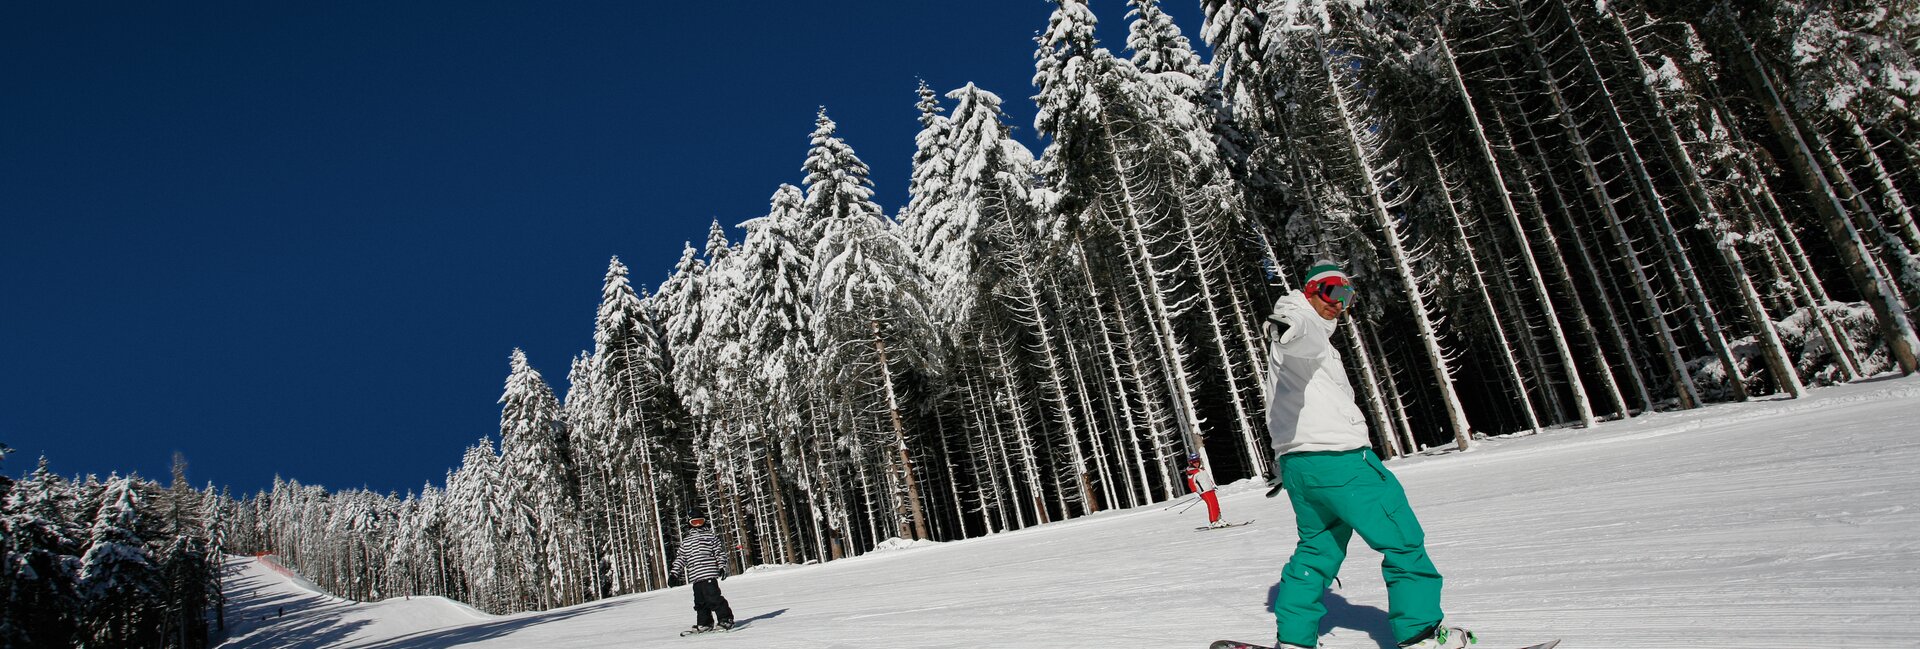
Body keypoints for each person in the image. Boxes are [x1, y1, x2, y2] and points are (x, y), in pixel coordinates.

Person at [1261, 260, 1471, 649]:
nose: (1339, 302)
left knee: (1317, 548)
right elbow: (1295, 328)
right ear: (1310, 290)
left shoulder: (1308, 340)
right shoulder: (1298, 319)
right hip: (1341, 462)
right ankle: (1421, 633)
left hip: (1300, 467)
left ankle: (1294, 639)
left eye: (1347, 296)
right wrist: (1288, 328)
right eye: (1331, 291)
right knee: (1401, 539)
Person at [668, 512, 735, 634]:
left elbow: (719, 553)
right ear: (690, 523)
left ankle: (726, 618)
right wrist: (674, 574)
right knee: (700, 602)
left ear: (705, 522)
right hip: (696, 577)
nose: (698, 525)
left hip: (708, 574)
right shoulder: (687, 541)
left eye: (700, 521)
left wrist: (722, 567)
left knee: (713, 598)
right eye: (695, 522)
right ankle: (705, 623)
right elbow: (681, 558)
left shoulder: (710, 537)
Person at [1185, 453, 1227, 528]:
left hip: (1210, 489)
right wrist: (1195, 492)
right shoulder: (1191, 472)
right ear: (1190, 462)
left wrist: (1213, 485)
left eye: (1197, 461)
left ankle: (1218, 519)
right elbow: (1191, 483)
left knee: (1216, 504)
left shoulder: (1201, 469)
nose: (1196, 463)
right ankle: (1213, 521)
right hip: (1204, 492)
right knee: (1211, 505)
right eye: (1194, 461)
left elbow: (1207, 478)